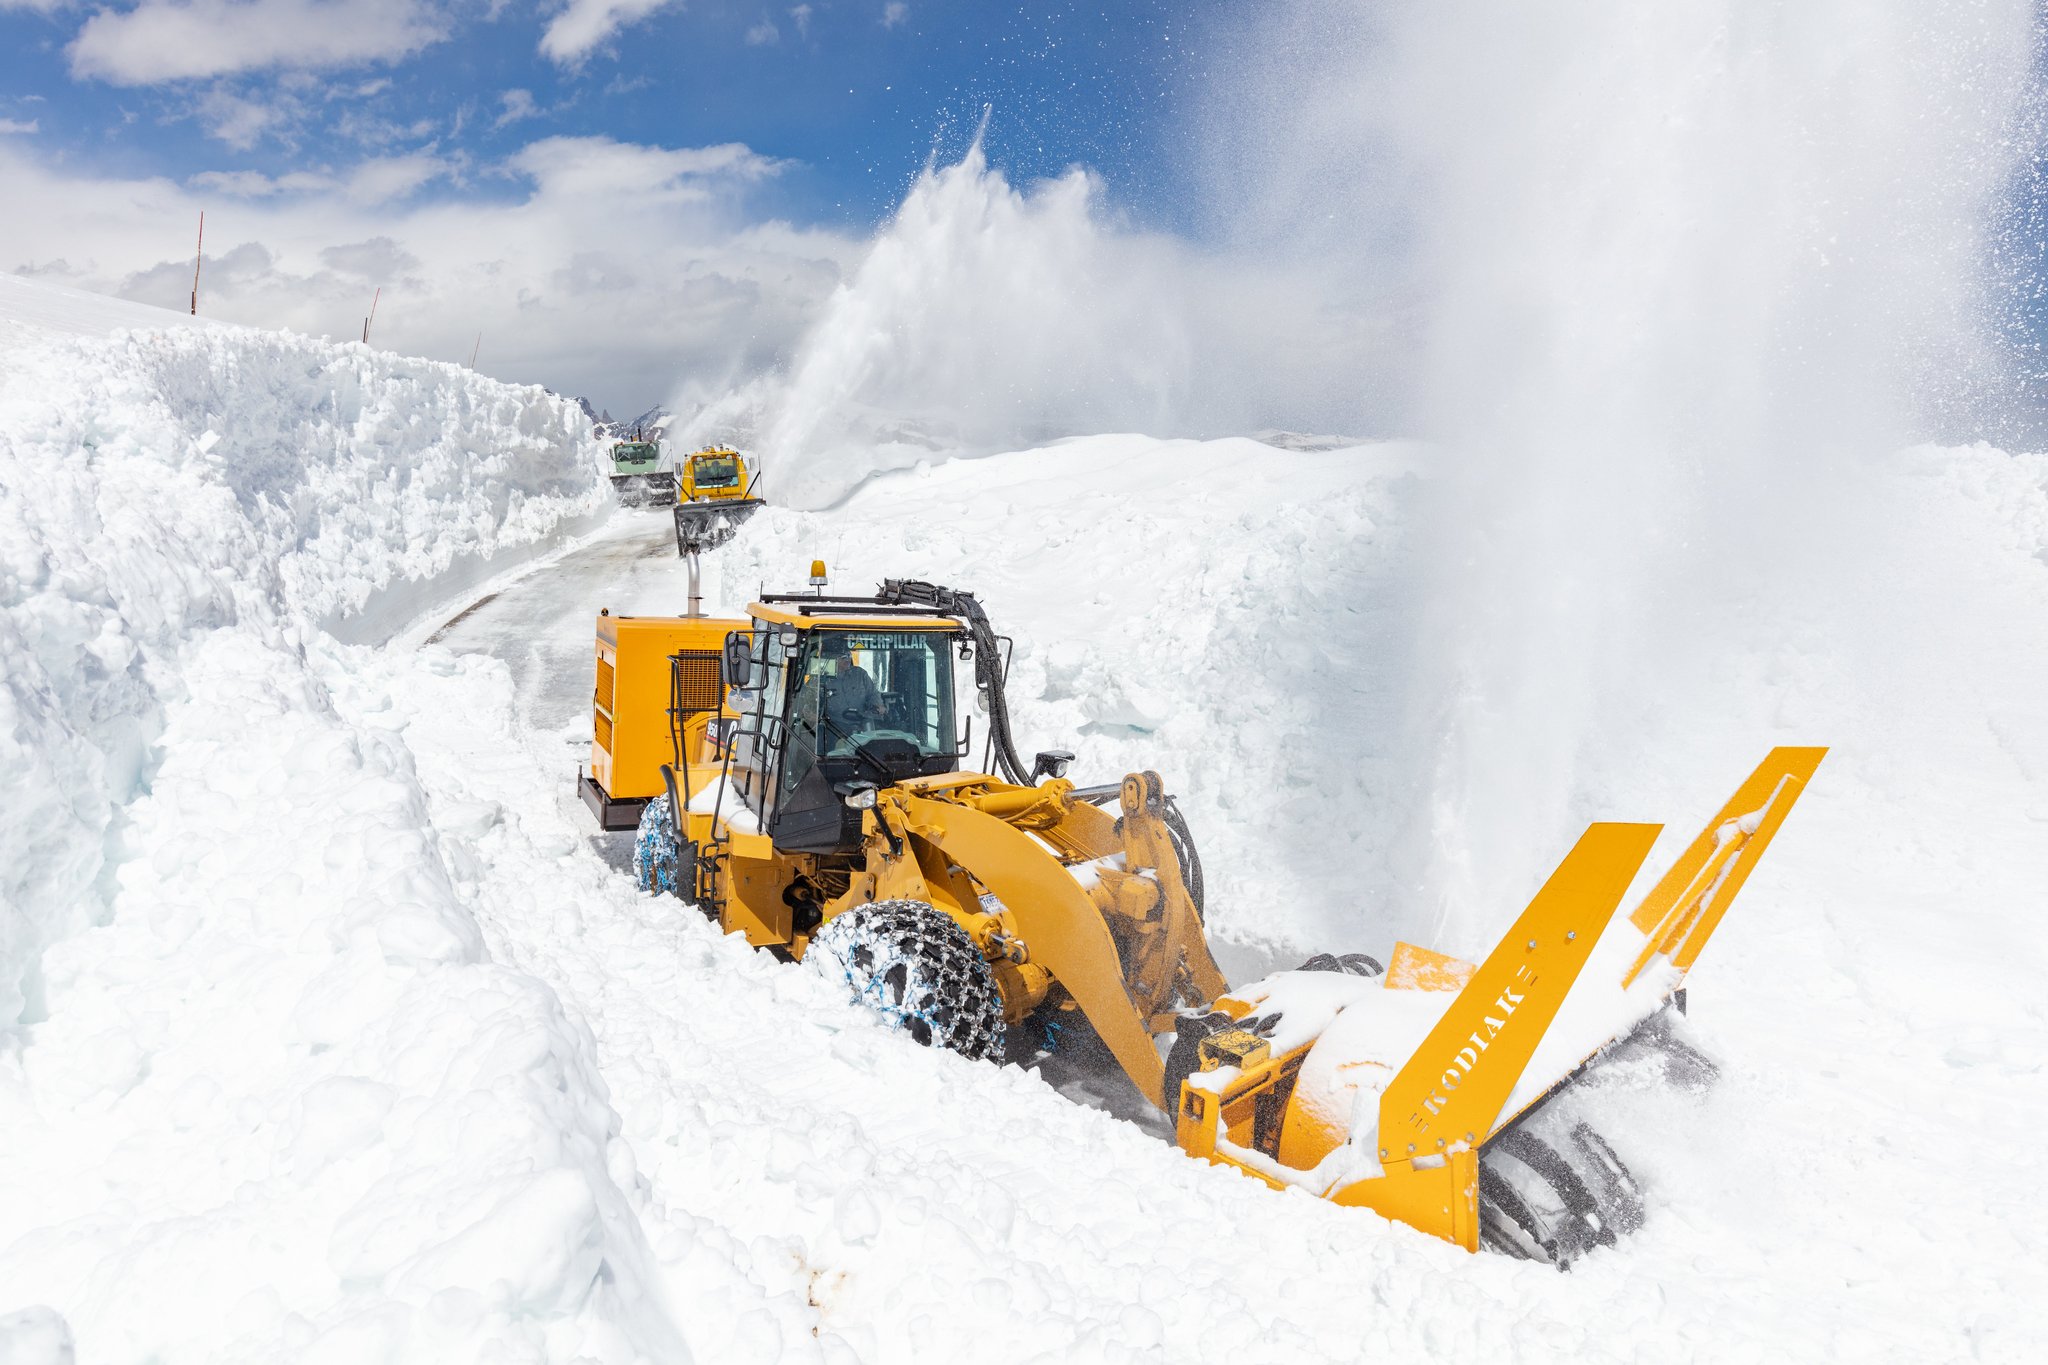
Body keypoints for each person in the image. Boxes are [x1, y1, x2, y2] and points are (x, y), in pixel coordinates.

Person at [819, 635, 885, 735]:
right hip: (832, 728)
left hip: (862, 725)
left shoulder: (860, 674)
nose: (848, 659)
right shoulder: (820, 679)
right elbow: (809, 702)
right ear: (831, 658)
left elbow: (873, 694)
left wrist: (878, 705)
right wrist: (810, 712)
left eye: (849, 655)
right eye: (843, 657)